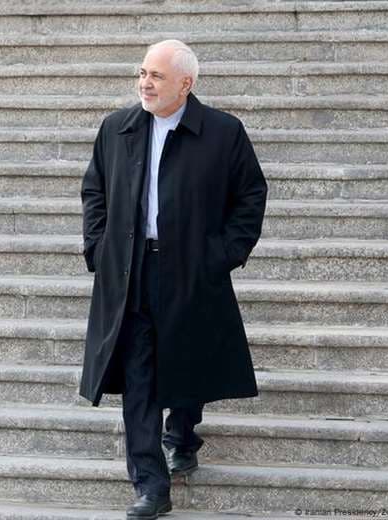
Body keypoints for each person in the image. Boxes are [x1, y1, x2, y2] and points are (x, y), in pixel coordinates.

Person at [78, 39, 268, 519]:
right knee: (138, 374)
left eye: (156, 76)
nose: (145, 83)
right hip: (132, 268)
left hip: (191, 267)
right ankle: (150, 485)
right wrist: (99, 247)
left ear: (186, 84)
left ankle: (182, 435)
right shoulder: (116, 128)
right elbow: (94, 189)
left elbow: (251, 195)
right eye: (142, 73)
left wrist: (222, 254)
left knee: (188, 358)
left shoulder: (223, 132)